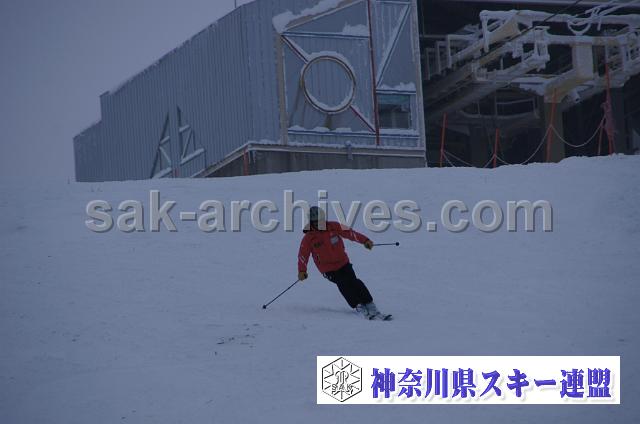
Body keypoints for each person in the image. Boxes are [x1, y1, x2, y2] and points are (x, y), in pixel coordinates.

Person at [297, 206, 382, 319]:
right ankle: (358, 305)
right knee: (343, 283)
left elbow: (350, 233)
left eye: (320, 220)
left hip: (343, 263)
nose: (318, 223)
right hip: (327, 269)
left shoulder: (334, 226)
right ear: (311, 222)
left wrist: (365, 241)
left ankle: (369, 303)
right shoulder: (308, 238)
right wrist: (302, 271)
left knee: (354, 282)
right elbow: (303, 255)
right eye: (315, 221)